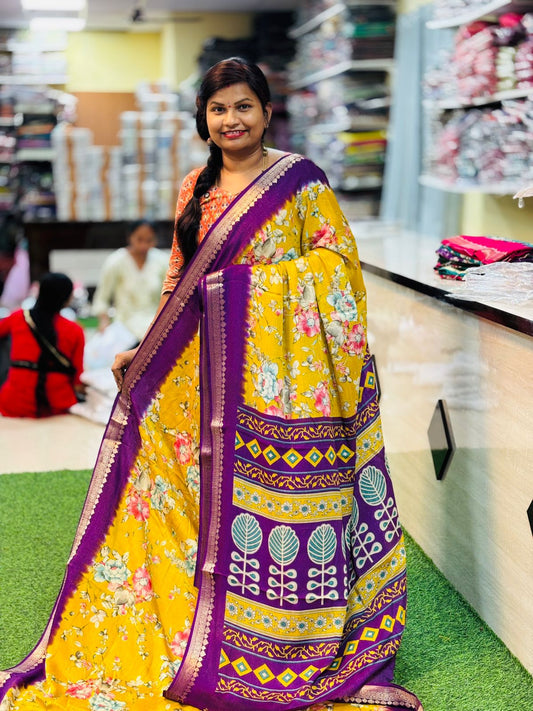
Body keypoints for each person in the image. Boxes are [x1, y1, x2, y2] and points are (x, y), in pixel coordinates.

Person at [0, 59, 423, 710]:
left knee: (261, 493)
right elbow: (180, 275)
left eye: (243, 106)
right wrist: (147, 343)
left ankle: (271, 633)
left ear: (266, 112)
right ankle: (188, 613)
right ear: (204, 118)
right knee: (175, 488)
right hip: (194, 365)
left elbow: (337, 267)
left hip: (275, 382)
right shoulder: (194, 188)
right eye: (219, 108)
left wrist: (245, 289)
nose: (232, 120)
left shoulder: (302, 183)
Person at [0, 271, 85, 418]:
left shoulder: (18, 318)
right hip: (57, 407)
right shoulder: (75, 331)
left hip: (14, 404)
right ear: (66, 298)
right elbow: (77, 382)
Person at [91, 218, 169, 347]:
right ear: (130, 237)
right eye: (139, 239)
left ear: (155, 240)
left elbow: (170, 295)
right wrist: (104, 322)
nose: (144, 245)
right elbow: (101, 298)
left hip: (154, 332)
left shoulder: (162, 261)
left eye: (149, 240)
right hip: (123, 332)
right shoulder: (116, 261)